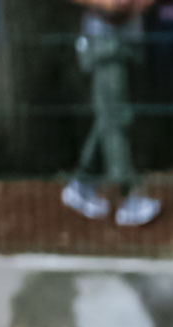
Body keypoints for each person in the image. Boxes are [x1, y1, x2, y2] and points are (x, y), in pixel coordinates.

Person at [61, 0, 162, 227]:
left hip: (130, 41)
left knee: (111, 114)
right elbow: (113, 5)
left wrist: (134, 6)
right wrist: (107, 4)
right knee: (115, 117)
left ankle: (83, 181)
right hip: (103, 43)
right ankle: (129, 195)